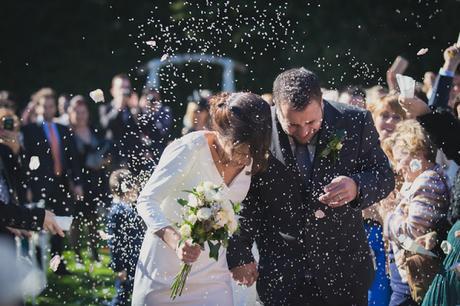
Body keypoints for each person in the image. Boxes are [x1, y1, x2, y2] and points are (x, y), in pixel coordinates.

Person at [228, 68, 395, 306]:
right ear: (277, 108)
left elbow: (384, 175)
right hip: (282, 275)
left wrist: (357, 186)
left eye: (311, 122)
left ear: (322, 104)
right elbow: (248, 198)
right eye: (293, 125)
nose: (304, 131)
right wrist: (239, 251)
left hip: (343, 272)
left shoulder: (355, 121)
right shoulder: (260, 128)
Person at [131, 92, 272, 305]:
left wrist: (241, 256)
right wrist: (176, 241)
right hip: (163, 274)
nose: (245, 159)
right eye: (239, 150)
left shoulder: (251, 157)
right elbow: (146, 201)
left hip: (214, 278)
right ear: (222, 132)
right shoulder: (189, 148)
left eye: (251, 152)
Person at [380, 119, 450, 306]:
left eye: (399, 158)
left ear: (416, 153)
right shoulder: (420, 180)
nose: (397, 167)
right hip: (406, 279)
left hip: (413, 280)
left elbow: (412, 232)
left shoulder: (428, 181)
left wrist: (387, 217)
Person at [21, 87, 83, 275]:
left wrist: (77, 182)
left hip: (61, 184)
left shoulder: (63, 129)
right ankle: (38, 267)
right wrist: (28, 187)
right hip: (40, 186)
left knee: (61, 224)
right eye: (45, 106)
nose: (48, 110)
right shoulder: (30, 130)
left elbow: (73, 159)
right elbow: (26, 160)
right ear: (38, 108)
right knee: (40, 225)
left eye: (51, 106)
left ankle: (58, 264)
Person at [364, 94, 407, 306]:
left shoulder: (406, 154)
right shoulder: (360, 150)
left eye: (397, 117)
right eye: (384, 115)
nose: (389, 121)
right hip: (366, 232)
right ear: (373, 116)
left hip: (395, 238)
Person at [67, 96, 109, 263]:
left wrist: (104, 161)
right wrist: (74, 183)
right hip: (77, 182)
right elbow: (68, 162)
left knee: (93, 219)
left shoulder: (94, 130)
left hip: (94, 180)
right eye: (76, 112)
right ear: (70, 113)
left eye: (83, 112)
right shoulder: (68, 134)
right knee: (76, 220)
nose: (80, 115)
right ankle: (77, 254)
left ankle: (94, 252)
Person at [107, 169, 144, 306]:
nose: (137, 188)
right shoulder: (117, 212)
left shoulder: (130, 207)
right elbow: (113, 242)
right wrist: (118, 267)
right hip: (125, 262)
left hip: (135, 259)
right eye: (135, 185)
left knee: (131, 291)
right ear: (128, 188)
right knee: (122, 294)